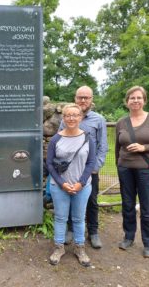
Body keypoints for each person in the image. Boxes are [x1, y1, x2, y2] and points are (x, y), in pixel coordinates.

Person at [115, 86, 149, 258]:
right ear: (127, 101)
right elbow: (117, 147)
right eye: (132, 98)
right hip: (125, 169)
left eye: (139, 97)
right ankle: (128, 237)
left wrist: (145, 147)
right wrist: (118, 164)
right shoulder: (122, 122)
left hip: (146, 170)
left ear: (144, 100)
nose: (135, 100)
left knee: (147, 207)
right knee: (127, 205)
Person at [58, 86, 108, 248]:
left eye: (86, 97)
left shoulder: (98, 120)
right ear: (75, 98)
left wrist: (95, 168)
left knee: (92, 201)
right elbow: (59, 140)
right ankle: (71, 230)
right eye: (80, 97)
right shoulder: (65, 120)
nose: (83, 100)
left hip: (89, 171)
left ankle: (93, 232)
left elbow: (103, 146)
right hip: (70, 171)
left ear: (92, 99)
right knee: (71, 198)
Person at [47, 103, 95, 267]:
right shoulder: (56, 139)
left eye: (75, 115)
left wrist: (81, 183)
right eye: (68, 115)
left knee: (79, 218)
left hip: (82, 187)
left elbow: (91, 163)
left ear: (81, 117)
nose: (71, 118)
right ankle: (59, 247)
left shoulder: (88, 138)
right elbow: (50, 164)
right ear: (64, 118)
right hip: (59, 186)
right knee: (60, 217)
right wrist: (62, 183)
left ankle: (79, 248)